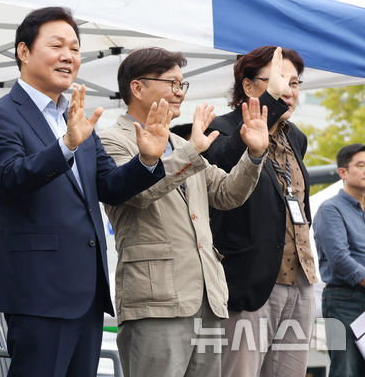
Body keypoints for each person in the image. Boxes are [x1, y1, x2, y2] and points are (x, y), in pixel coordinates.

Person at [0, 7, 170, 376]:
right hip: (40, 294)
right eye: (57, 46)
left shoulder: (77, 118)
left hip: (86, 293)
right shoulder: (1, 114)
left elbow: (110, 187)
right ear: (23, 51)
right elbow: (7, 180)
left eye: (75, 48)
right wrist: (65, 145)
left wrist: (146, 161)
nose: (69, 56)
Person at [99, 47, 268, 377]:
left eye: (182, 85)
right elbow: (138, 193)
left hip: (207, 296)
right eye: (172, 84)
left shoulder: (180, 144)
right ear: (137, 87)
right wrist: (192, 151)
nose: (180, 93)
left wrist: (255, 155)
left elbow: (226, 193)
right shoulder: (110, 140)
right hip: (156, 300)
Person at [202, 46, 316, 376]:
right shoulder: (220, 128)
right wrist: (267, 109)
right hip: (250, 282)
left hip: (301, 280)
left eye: (295, 83)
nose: (288, 92)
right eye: (279, 81)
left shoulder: (295, 136)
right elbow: (222, 161)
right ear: (249, 87)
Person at [313, 143, 365, 377]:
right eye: (361, 165)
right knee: (345, 370)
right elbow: (340, 260)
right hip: (342, 300)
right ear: (342, 172)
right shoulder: (330, 209)